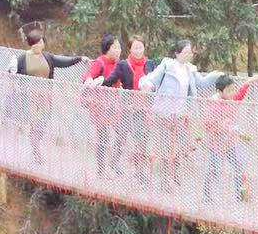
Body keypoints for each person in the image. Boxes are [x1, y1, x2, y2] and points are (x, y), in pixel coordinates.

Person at [141, 40, 226, 190]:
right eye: (186, 52)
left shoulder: (190, 69)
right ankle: (165, 182)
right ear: (177, 53)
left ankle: (173, 176)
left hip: (180, 114)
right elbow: (151, 79)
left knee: (180, 147)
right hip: (164, 114)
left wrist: (215, 75)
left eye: (190, 52)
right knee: (166, 148)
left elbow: (202, 83)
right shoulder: (167, 65)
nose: (189, 54)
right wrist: (146, 85)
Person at [7, 26, 85, 161]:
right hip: (30, 98)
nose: (39, 44)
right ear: (32, 43)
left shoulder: (48, 57)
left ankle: (35, 147)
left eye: (41, 41)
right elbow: (12, 74)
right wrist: (12, 72)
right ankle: (36, 151)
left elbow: (63, 61)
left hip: (45, 97)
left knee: (43, 123)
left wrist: (79, 59)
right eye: (36, 42)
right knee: (35, 123)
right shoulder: (22, 58)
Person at [95, 36, 158, 181]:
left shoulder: (149, 64)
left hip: (143, 110)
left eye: (140, 47)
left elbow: (156, 84)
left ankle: (139, 172)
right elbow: (111, 80)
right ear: (130, 49)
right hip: (126, 109)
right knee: (122, 138)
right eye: (135, 48)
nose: (138, 50)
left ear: (144, 48)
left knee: (141, 141)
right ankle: (114, 162)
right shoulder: (123, 65)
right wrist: (100, 81)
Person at [201, 74, 253, 203]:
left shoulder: (232, 98)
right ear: (219, 92)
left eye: (233, 89)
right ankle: (207, 195)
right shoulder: (213, 104)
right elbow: (208, 124)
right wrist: (225, 127)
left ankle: (241, 196)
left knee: (239, 166)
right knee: (215, 169)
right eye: (229, 90)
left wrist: (249, 81)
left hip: (231, 142)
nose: (232, 93)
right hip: (216, 144)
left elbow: (240, 94)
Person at [83, 35, 126, 176]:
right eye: (116, 47)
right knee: (103, 138)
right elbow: (88, 75)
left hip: (114, 105)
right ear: (108, 48)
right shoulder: (100, 62)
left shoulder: (120, 64)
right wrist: (90, 81)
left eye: (120, 47)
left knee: (122, 133)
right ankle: (101, 170)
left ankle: (114, 162)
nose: (119, 50)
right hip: (100, 106)